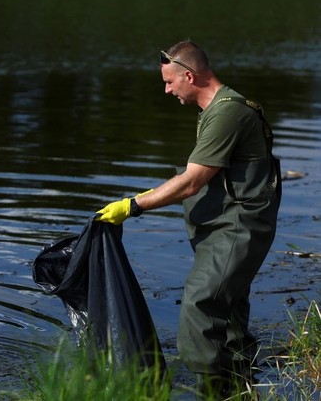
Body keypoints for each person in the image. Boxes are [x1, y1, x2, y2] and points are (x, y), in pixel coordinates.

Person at [95, 40, 281, 396]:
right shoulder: (215, 110)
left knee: (200, 307)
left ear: (189, 75)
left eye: (169, 82)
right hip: (223, 230)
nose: (167, 90)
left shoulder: (227, 113)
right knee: (228, 312)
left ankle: (210, 391)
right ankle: (239, 389)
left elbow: (191, 182)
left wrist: (132, 206)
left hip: (236, 230)